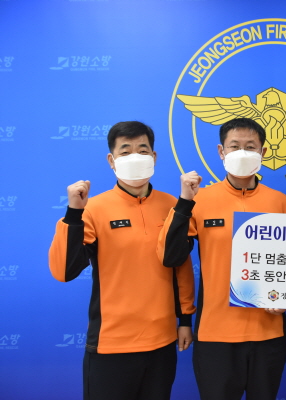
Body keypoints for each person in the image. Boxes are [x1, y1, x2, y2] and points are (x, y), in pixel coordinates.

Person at [48, 121, 196, 400]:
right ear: (111, 160)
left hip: (162, 341)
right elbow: (63, 271)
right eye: (125, 151)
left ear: (154, 157)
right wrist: (73, 214)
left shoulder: (174, 206)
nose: (135, 157)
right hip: (111, 344)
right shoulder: (93, 208)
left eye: (143, 150)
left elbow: (181, 268)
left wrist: (185, 318)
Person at [157, 117, 286, 400]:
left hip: (268, 332)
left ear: (263, 152)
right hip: (215, 334)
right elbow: (170, 256)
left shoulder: (280, 201)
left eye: (250, 146)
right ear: (221, 151)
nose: (242, 153)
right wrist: (184, 202)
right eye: (234, 146)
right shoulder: (198, 199)